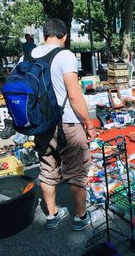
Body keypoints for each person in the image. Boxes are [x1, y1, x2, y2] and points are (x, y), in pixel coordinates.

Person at [28, 19, 96, 231]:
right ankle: (80, 217)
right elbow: (74, 95)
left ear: (44, 34)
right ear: (64, 36)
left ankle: (52, 215)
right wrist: (89, 124)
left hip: (41, 124)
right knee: (77, 172)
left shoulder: (29, 55)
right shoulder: (65, 55)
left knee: (47, 170)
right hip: (67, 122)